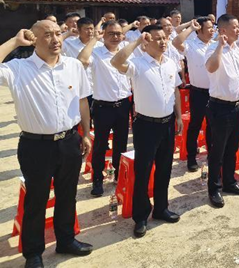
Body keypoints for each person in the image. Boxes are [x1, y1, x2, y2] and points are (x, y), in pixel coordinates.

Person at [0, 21, 94, 267]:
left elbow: (82, 101)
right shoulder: (18, 68)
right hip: (36, 146)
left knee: (68, 195)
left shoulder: (73, 65)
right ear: (34, 40)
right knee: (36, 200)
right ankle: (33, 253)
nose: (55, 39)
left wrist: (86, 133)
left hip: (70, 141)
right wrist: (14, 41)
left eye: (58, 34)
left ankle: (66, 240)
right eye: (47, 35)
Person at [111, 24, 183, 238]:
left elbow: (175, 90)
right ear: (146, 42)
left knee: (165, 168)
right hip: (146, 125)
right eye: (157, 38)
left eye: (164, 38)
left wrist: (179, 116)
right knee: (143, 171)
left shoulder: (170, 63)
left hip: (167, 123)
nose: (162, 42)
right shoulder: (138, 64)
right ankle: (141, 216)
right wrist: (136, 42)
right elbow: (116, 62)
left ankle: (161, 208)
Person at [78, 20, 131, 197]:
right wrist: (94, 39)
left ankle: (118, 174)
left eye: (118, 33)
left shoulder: (126, 52)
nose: (115, 37)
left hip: (123, 104)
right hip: (103, 107)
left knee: (121, 143)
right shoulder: (97, 53)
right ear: (104, 35)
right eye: (111, 34)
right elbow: (81, 60)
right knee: (100, 145)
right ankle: (97, 179)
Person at [204, 14, 239, 208]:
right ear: (223, 30)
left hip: (236, 106)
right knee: (218, 150)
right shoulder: (212, 49)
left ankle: (229, 182)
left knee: (232, 147)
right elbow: (211, 67)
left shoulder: (238, 50)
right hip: (220, 107)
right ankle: (214, 188)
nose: (238, 30)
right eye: (235, 27)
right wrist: (219, 46)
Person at [173, 17, 215, 171]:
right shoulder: (191, 45)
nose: (212, 30)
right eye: (209, 28)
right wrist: (190, 27)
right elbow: (176, 42)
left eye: (213, 27)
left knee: (212, 125)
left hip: (214, 92)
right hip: (198, 93)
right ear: (199, 30)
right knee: (195, 125)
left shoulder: (215, 44)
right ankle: (191, 158)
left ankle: (212, 155)